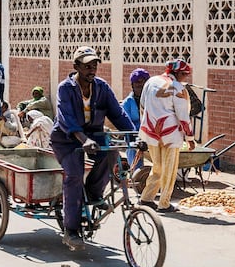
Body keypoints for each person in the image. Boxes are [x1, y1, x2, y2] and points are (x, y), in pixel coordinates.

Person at [50, 46, 134, 250]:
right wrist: (82, 139)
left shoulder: (102, 87)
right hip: (67, 139)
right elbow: (65, 118)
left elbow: (118, 113)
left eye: (94, 66)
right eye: (87, 66)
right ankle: (71, 230)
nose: (92, 70)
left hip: (95, 136)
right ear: (76, 66)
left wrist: (134, 135)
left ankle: (94, 193)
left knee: (112, 152)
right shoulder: (65, 88)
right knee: (75, 174)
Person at [138, 58, 196, 213]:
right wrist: (190, 138)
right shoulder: (178, 88)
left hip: (151, 131)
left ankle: (147, 198)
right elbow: (183, 116)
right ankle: (164, 203)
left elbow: (142, 105)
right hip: (170, 135)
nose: (186, 78)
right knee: (169, 169)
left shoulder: (151, 82)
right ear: (178, 73)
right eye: (185, 74)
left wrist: (144, 130)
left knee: (157, 167)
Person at [121, 68, 150, 169]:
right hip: (134, 136)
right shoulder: (127, 103)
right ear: (133, 86)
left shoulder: (152, 100)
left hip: (150, 135)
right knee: (132, 148)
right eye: (137, 84)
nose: (140, 87)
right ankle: (136, 173)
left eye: (143, 84)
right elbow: (125, 123)